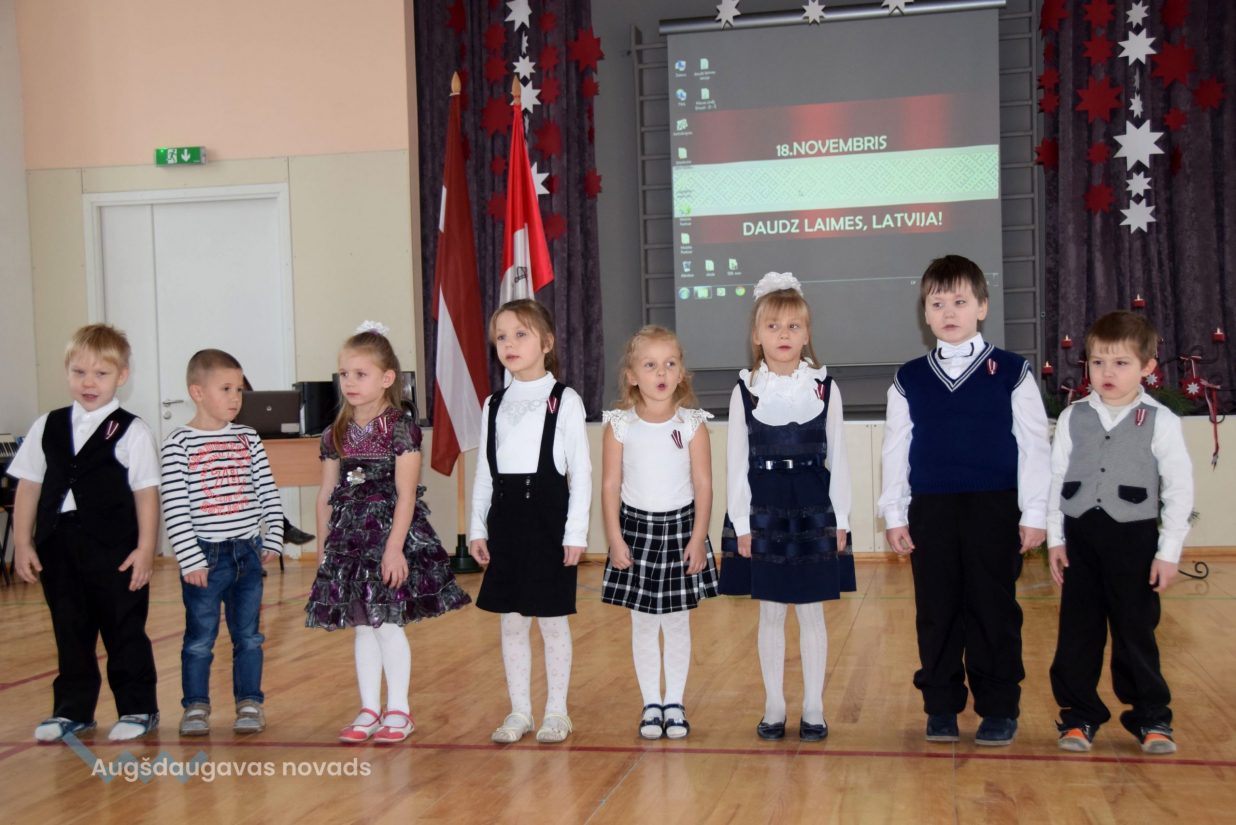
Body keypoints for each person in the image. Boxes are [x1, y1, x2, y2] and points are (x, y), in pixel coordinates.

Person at [879, 254, 1050, 746]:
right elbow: (896, 448)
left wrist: (1035, 512)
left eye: (960, 301)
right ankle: (941, 705)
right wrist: (894, 513)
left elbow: (1034, 446)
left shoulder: (1012, 371)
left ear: (982, 307)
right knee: (936, 610)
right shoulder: (909, 378)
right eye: (938, 304)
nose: (949, 312)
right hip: (931, 509)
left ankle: (999, 707)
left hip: (995, 506)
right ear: (925, 314)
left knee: (993, 609)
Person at [305, 322, 470, 744]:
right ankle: (368, 709)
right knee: (363, 625)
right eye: (344, 373)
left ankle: (399, 710)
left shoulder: (399, 428)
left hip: (387, 537)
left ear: (386, 378)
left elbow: (406, 494)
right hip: (349, 541)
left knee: (387, 623)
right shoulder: (334, 433)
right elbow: (326, 495)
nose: (349, 382)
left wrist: (394, 549)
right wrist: (324, 551)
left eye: (360, 374)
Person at [1047, 310, 1193, 754]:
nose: (1107, 373)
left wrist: (1168, 552)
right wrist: (1056, 538)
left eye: (1121, 363)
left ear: (1147, 366)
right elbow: (1056, 479)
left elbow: (1179, 487)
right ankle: (1079, 716)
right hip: (1081, 539)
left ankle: (1151, 717)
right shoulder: (1073, 417)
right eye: (1098, 362)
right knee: (1079, 633)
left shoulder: (1160, 420)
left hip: (1134, 540)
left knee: (1135, 631)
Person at [8, 324, 161, 742]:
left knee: (123, 627)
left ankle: (138, 707)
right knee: (70, 628)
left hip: (115, 549)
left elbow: (146, 494)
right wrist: (22, 541)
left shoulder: (132, 430)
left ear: (122, 376)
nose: (89, 383)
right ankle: (72, 711)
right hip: (59, 545)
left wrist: (146, 548)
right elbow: (29, 485)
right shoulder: (48, 425)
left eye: (101, 374)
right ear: (67, 372)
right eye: (79, 373)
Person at [719, 272, 855, 742]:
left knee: (812, 611)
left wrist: (842, 518)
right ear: (757, 336)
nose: (783, 335)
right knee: (772, 611)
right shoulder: (745, 391)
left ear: (807, 334)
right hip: (765, 508)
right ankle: (774, 704)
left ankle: (814, 707)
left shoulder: (825, 388)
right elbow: (736, 461)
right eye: (773, 326)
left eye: (793, 326)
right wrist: (742, 523)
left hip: (814, 506)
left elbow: (839, 457)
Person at [468, 300, 591, 745]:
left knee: (552, 621)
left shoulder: (565, 399)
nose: (510, 344)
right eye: (501, 336)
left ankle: (557, 711)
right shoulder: (494, 403)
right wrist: (477, 527)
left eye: (521, 334)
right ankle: (520, 709)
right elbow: (485, 470)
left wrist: (575, 532)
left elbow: (581, 473)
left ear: (546, 342)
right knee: (512, 621)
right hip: (506, 521)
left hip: (548, 519)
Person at [600, 326, 719, 740]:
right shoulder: (620, 425)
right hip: (636, 533)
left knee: (678, 622)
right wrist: (614, 538)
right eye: (650, 365)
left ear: (681, 372)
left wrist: (698, 537)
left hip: (681, 532)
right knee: (644, 623)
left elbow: (703, 484)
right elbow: (610, 486)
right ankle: (652, 702)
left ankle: (675, 703)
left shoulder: (692, 424)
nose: (661, 372)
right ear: (632, 375)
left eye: (670, 363)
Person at [160, 349, 285, 736]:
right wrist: (190, 559)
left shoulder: (248, 438)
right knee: (200, 638)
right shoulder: (178, 443)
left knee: (248, 635)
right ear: (197, 392)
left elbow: (266, 489)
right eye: (226, 389)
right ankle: (196, 706)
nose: (235, 398)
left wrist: (274, 535)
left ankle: (249, 702)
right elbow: (175, 506)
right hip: (205, 556)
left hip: (247, 551)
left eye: (239, 390)